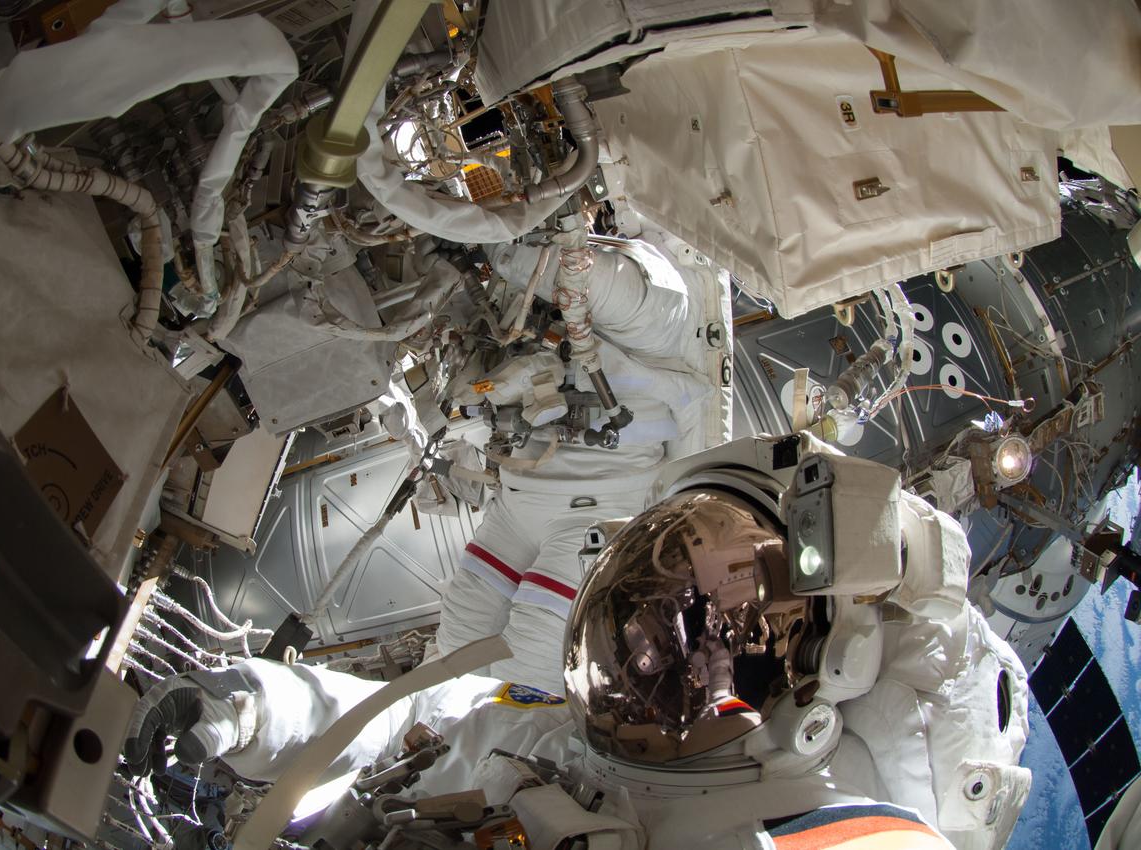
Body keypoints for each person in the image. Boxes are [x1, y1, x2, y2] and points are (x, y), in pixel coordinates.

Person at [124, 435, 1031, 850]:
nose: (657, 622)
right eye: (665, 578)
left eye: (713, 618)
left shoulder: (836, 837)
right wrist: (249, 709)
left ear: (821, 678)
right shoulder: (552, 731)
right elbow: (413, 721)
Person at [426, 222, 723, 694]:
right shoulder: (538, 284)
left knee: (521, 663)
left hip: (589, 512)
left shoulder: (662, 296)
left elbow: (581, 278)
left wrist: (492, 239)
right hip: (529, 503)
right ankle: (461, 737)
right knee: (460, 642)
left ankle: (499, 751)